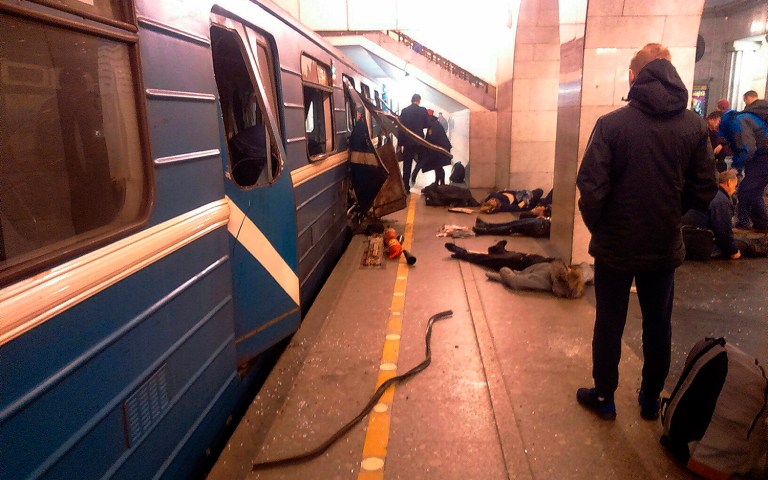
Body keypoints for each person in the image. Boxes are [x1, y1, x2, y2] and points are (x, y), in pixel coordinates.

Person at [575, 43, 717, 421]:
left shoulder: (612, 125)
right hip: (663, 245)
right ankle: (651, 399)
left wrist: (601, 227)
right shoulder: (694, 125)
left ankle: (605, 396)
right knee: (658, 323)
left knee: (609, 321)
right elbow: (705, 190)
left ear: (634, 77)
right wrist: (670, 211)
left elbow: (591, 189)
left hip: (614, 247)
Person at [683, 169, 768, 259]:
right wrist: (733, 252)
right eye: (735, 186)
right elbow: (723, 232)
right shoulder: (721, 201)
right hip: (699, 244)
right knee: (746, 245)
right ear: (729, 182)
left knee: (741, 241)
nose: (735, 190)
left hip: (688, 238)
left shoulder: (711, 193)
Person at [710, 104, 768, 232]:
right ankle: (762, 224)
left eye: (711, 125)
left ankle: (744, 223)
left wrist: (736, 168)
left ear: (717, 119)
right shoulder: (732, 122)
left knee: (745, 189)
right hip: (760, 157)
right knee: (754, 191)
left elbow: (748, 149)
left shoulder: (736, 121)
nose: (712, 129)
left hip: (763, 157)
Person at [486, 260, 594, 299]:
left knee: (505, 258)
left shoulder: (543, 279)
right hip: (534, 267)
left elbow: (515, 282)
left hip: (529, 266)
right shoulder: (576, 284)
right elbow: (587, 267)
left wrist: (502, 270)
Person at [397, 94, 429, 187]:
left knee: (407, 164)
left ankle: (405, 186)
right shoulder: (423, 110)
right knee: (423, 158)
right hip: (419, 141)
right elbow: (426, 124)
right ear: (419, 101)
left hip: (408, 142)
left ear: (411, 100)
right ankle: (414, 174)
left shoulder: (405, 111)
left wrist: (400, 144)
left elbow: (401, 128)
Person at [418, 114, 452, 185]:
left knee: (438, 165)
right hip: (440, 148)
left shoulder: (434, 126)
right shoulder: (434, 124)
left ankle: (442, 182)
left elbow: (431, 138)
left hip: (441, 148)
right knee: (437, 166)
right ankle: (438, 181)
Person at [479, 188, 544, 213]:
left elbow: (482, 202)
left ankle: (539, 203)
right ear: (495, 207)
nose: (492, 200)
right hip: (522, 199)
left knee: (541, 199)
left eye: (490, 200)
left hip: (518, 193)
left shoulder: (492, 196)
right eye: (492, 202)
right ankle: (538, 204)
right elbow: (518, 208)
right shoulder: (504, 206)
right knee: (539, 191)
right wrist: (526, 199)